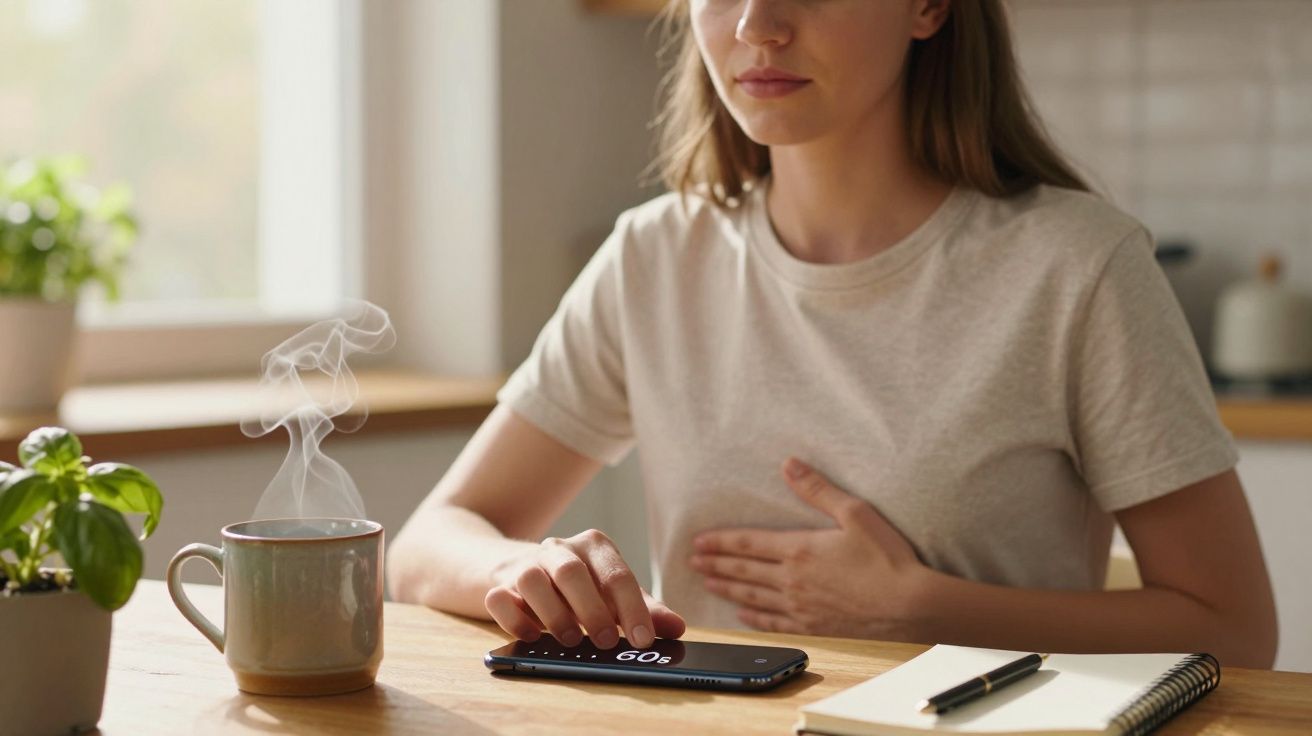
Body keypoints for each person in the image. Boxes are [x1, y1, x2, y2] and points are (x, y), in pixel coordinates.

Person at [388, 0, 1279, 668]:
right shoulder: (655, 257)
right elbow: (429, 544)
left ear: (928, 6)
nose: (758, 24)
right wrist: (528, 570)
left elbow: (1234, 627)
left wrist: (925, 609)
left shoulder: (1080, 268)